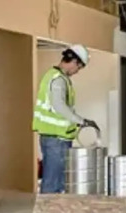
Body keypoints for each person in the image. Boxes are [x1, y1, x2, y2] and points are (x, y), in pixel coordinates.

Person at [33, 44, 99, 194]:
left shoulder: (57, 77)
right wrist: (82, 121)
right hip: (55, 139)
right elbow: (59, 106)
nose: (77, 72)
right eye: (79, 68)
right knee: (52, 183)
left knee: (60, 182)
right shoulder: (57, 79)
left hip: (59, 138)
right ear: (74, 62)